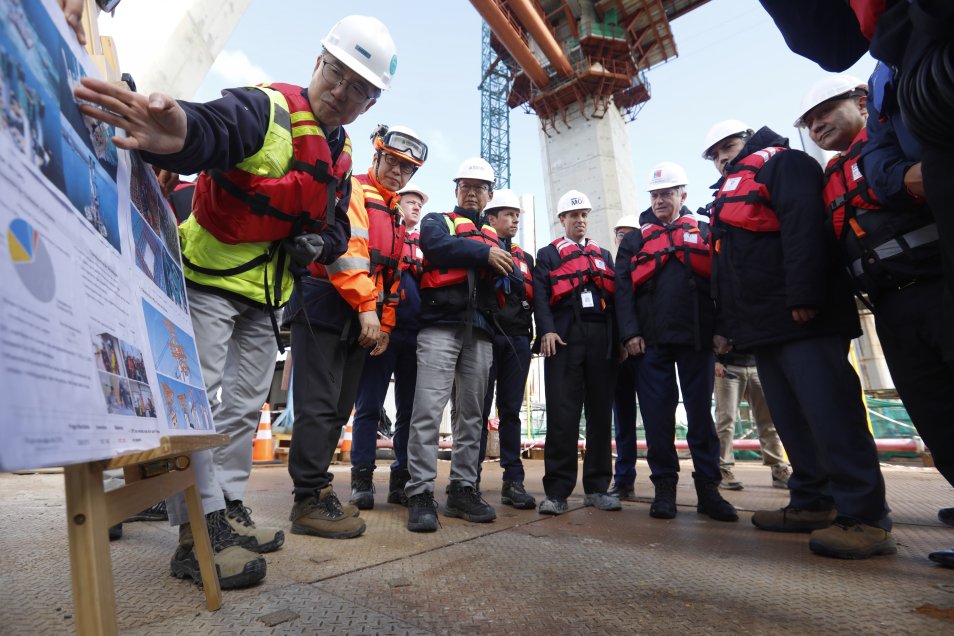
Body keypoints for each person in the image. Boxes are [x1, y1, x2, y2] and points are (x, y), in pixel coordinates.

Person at [74, 14, 396, 586]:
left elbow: (337, 231)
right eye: (337, 75)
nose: (342, 93)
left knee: (244, 407)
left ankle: (227, 507)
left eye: (359, 90)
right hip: (206, 281)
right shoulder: (266, 109)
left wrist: (319, 240)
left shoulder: (340, 154)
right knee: (193, 406)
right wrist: (179, 136)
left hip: (266, 298)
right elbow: (211, 128)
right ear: (318, 62)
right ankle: (196, 536)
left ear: (369, 105)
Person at [703, 119, 895, 559]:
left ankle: (865, 517)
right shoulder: (733, 188)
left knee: (831, 413)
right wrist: (728, 328)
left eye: (728, 147)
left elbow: (803, 225)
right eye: (714, 155)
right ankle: (812, 500)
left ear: (750, 140)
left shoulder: (785, 164)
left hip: (803, 317)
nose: (722, 158)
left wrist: (805, 293)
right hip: (765, 326)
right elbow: (729, 270)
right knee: (791, 419)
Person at [796, 74, 953, 564]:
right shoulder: (830, 181)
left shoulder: (903, 140)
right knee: (935, 416)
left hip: (939, 289)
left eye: (826, 110)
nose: (818, 123)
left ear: (862, 103)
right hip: (888, 307)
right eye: (810, 120)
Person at [286, 124, 426, 536]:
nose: (399, 173)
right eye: (394, 162)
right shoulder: (356, 191)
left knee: (340, 406)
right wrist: (368, 308)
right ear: (377, 155)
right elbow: (348, 254)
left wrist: (382, 323)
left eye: (407, 169)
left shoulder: (395, 212)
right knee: (318, 404)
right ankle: (307, 499)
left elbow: (391, 275)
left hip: (358, 315)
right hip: (325, 303)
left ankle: (316, 491)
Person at [614, 163, 737, 523]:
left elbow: (722, 283)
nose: (660, 200)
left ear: (683, 195)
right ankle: (664, 488)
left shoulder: (702, 230)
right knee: (656, 418)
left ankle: (708, 491)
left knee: (701, 417)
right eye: (654, 194)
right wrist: (630, 333)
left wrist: (723, 328)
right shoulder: (635, 239)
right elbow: (623, 289)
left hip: (697, 338)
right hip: (651, 342)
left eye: (667, 193)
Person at [404, 157, 512, 532]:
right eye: (464, 185)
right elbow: (434, 246)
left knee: (473, 416)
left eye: (478, 187)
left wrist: (492, 253)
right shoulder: (439, 220)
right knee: (427, 411)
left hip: (480, 330)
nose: (470, 191)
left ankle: (463, 488)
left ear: (489, 194)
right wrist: (484, 254)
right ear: (455, 190)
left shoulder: (497, 236)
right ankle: (419, 492)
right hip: (439, 325)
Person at [533, 190, 619, 515]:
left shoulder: (605, 256)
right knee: (562, 415)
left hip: (601, 339)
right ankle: (556, 492)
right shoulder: (548, 255)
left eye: (584, 215)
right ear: (562, 220)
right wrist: (546, 330)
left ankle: (597, 488)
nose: (580, 220)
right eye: (574, 216)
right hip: (564, 337)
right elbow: (541, 296)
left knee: (600, 414)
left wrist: (620, 341)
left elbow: (616, 301)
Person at [348, 182, 427, 508]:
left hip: (415, 337)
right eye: (410, 201)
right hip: (381, 331)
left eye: (419, 203)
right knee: (369, 407)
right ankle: (362, 480)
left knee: (409, 411)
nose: (415, 207)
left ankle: (401, 481)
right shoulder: (380, 238)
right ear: (396, 205)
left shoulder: (427, 245)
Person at [476, 189, 536, 510]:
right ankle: (469, 481)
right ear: (491, 217)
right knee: (479, 411)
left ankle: (513, 481)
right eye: (509, 214)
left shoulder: (525, 258)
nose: (515, 219)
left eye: (517, 215)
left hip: (517, 340)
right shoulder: (478, 249)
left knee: (510, 412)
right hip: (486, 336)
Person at [714, 352, 791, 490]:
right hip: (727, 366)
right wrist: (714, 361)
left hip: (758, 365)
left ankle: (778, 469)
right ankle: (723, 468)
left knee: (769, 421)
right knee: (725, 421)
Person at [609, 214, 641, 501]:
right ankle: (624, 478)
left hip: (645, 353)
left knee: (658, 417)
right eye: (620, 234)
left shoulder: (647, 266)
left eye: (630, 233)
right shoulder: (608, 268)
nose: (624, 238)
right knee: (623, 420)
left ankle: (663, 478)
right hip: (618, 357)